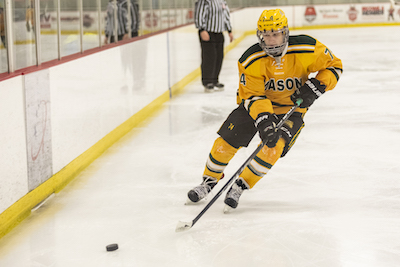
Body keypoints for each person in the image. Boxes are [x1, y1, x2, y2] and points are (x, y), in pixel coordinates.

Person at [187, 9, 343, 212]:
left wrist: (316, 87)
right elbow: (252, 95)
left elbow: (334, 66)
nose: (270, 40)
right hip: (255, 107)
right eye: (266, 35)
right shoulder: (250, 59)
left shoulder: (307, 47)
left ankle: (239, 186)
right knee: (224, 145)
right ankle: (208, 181)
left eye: (275, 34)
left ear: (285, 32)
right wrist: (263, 120)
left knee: (272, 149)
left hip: (291, 109)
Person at [194, 0, 234, 93]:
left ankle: (215, 80)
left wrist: (229, 30)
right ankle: (207, 81)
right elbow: (199, 14)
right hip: (208, 32)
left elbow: (226, 15)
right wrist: (202, 29)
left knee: (218, 57)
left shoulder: (222, 1)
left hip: (219, 32)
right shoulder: (205, 1)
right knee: (209, 57)